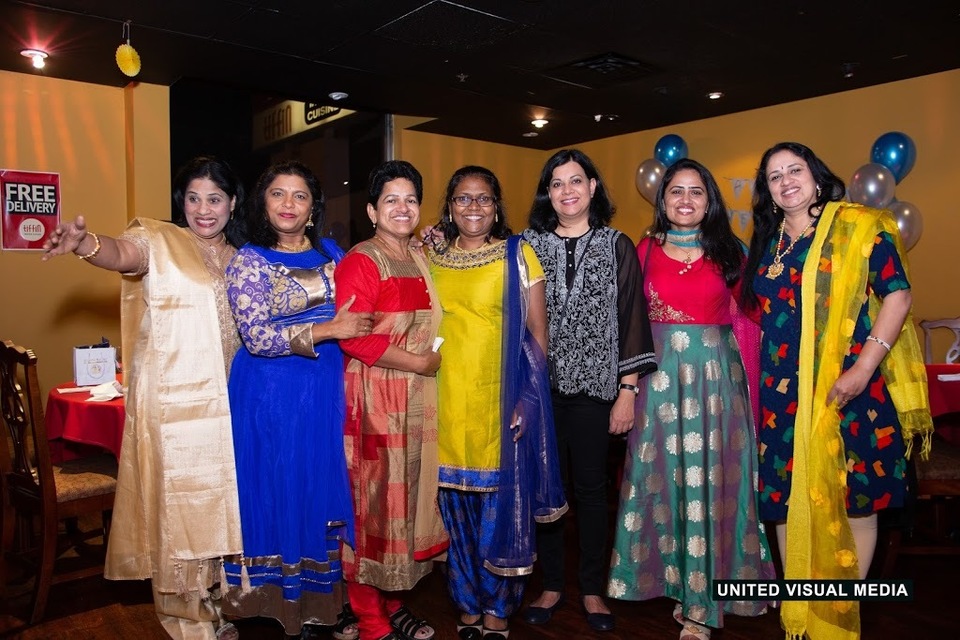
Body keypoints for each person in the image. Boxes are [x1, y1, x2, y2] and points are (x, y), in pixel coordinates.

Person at [42, 157, 246, 640]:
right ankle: (187, 619)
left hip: (232, 402)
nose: (203, 209)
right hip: (178, 407)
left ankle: (219, 601)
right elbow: (123, 254)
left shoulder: (242, 258)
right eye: (193, 198)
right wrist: (86, 245)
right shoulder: (161, 242)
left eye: (214, 199)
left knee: (221, 503)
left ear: (232, 203)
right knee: (182, 505)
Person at [740, 142, 933, 639]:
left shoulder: (855, 226)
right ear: (767, 190)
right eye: (774, 176)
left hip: (846, 387)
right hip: (782, 395)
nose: (786, 181)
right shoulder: (769, 241)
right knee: (784, 498)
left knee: (854, 499)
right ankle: (801, 610)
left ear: (816, 175)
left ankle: (837, 613)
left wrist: (864, 369)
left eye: (795, 170)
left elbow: (898, 295)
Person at [607, 159, 775, 640]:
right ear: (662, 200)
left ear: (709, 201)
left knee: (710, 486)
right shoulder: (643, 250)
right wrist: (626, 389)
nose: (685, 200)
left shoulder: (730, 251)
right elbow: (624, 320)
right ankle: (677, 585)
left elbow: (760, 312)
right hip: (656, 384)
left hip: (715, 387)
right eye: (676, 191)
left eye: (696, 192)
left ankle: (703, 606)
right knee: (664, 483)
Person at [221, 160, 370, 640]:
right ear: (262, 203)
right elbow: (257, 337)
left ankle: (320, 602)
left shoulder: (331, 252)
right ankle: (281, 602)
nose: (289, 204)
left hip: (323, 389)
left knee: (317, 484)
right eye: (278, 194)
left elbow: (370, 288)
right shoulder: (249, 260)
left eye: (300, 195)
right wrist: (329, 329)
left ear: (313, 207)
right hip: (270, 395)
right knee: (280, 484)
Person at [425, 166, 567, 640]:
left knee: (500, 513)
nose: (473, 207)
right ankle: (466, 605)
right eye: (463, 199)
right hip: (443, 399)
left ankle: (498, 610)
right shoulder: (431, 256)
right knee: (454, 515)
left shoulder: (518, 254)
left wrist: (528, 398)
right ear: (449, 207)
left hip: (499, 401)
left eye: (483, 198)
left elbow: (539, 334)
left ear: (496, 206)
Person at [520, 149, 657, 633]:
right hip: (540, 390)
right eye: (557, 183)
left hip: (597, 390)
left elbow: (632, 318)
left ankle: (593, 589)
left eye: (576, 181)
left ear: (593, 187)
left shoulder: (617, 245)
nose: (567, 191)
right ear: (548, 192)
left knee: (592, 492)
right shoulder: (528, 246)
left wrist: (627, 391)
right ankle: (553, 584)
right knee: (547, 490)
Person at [334, 160, 447, 640]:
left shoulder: (419, 256)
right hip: (376, 401)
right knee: (374, 507)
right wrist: (417, 362)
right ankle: (370, 618)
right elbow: (354, 338)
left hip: (417, 402)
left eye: (410, 199)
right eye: (391, 200)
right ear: (372, 211)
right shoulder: (362, 260)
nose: (402, 208)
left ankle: (395, 602)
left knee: (408, 507)